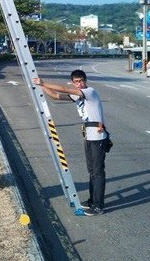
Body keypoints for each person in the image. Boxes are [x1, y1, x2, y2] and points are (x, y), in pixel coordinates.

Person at [33, 69, 108, 216]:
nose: (79, 84)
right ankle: (93, 200)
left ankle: (98, 206)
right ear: (73, 82)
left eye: (81, 81)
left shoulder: (90, 92)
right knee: (92, 171)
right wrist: (41, 86)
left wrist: (44, 82)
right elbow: (56, 96)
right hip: (89, 136)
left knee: (98, 172)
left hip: (98, 137)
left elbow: (64, 89)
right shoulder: (77, 96)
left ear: (85, 81)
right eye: (76, 82)